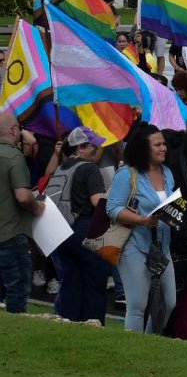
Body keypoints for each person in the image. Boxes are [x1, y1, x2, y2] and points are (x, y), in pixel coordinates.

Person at [107, 124, 176, 332]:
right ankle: (133, 349)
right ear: (143, 148)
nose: (163, 148)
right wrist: (143, 220)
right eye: (157, 144)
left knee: (168, 303)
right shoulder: (127, 174)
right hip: (134, 245)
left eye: (164, 143)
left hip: (162, 247)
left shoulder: (167, 172)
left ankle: (149, 343)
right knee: (137, 305)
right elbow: (112, 208)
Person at [48, 128, 110, 323]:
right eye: (93, 146)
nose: (96, 150)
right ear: (81, 147)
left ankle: (68, 324)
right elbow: (97, 202)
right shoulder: (90, 168)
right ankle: (94, 325)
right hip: (85, 227)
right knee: (95, 282)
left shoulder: (61, 168)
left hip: (61, 230)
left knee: (71, 282)